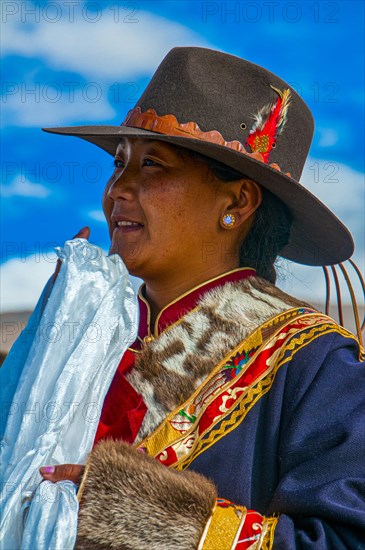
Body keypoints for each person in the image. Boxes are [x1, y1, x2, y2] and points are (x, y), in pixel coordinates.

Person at [37, 47, 364, 549]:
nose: (118, 189)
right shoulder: (83, 342)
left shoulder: (319, 367)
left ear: (237, 202)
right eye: (119, 163)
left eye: (152, 165)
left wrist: (156, 522)